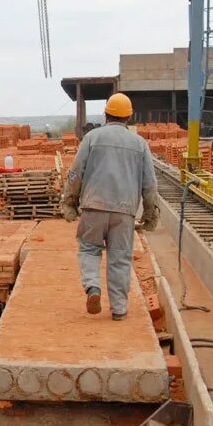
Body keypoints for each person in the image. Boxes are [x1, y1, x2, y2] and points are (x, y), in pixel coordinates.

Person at [61, 93, 158, 321]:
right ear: (129, 117)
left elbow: (75, 173)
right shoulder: (139, 144)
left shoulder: (92, 138)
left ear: (106, 114)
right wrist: (151, 214)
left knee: (89, 249)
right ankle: (119, 309)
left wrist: (69, 202)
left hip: (94, 207)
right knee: (120, 258)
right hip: (125, 211)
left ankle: (93, 288)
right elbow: (149, 184)